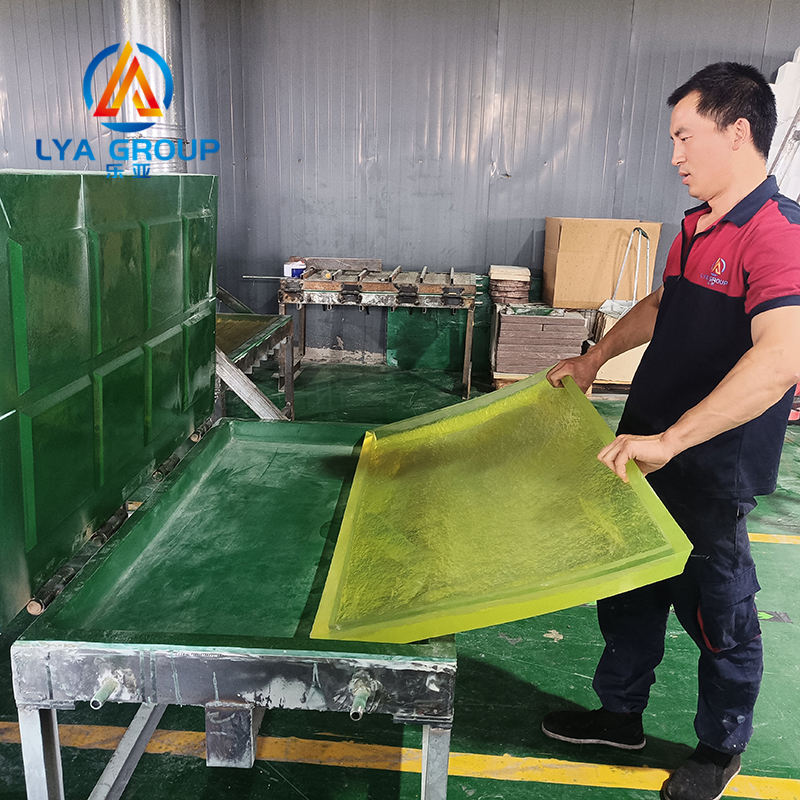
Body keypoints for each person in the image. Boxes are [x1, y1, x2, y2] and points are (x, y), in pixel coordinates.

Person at [543, 62, 800, 800]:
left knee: (721, 616)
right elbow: (663, 304)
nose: (675, 155)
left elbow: (781, 357)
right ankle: (618, 716)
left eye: (686, 137)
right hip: (645, 450)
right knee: (629, 590)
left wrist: (675, 440)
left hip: (709, 469)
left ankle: (720, 749)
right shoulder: (698, 226)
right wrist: (594, 359)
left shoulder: (778, 234)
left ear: (738, 131)